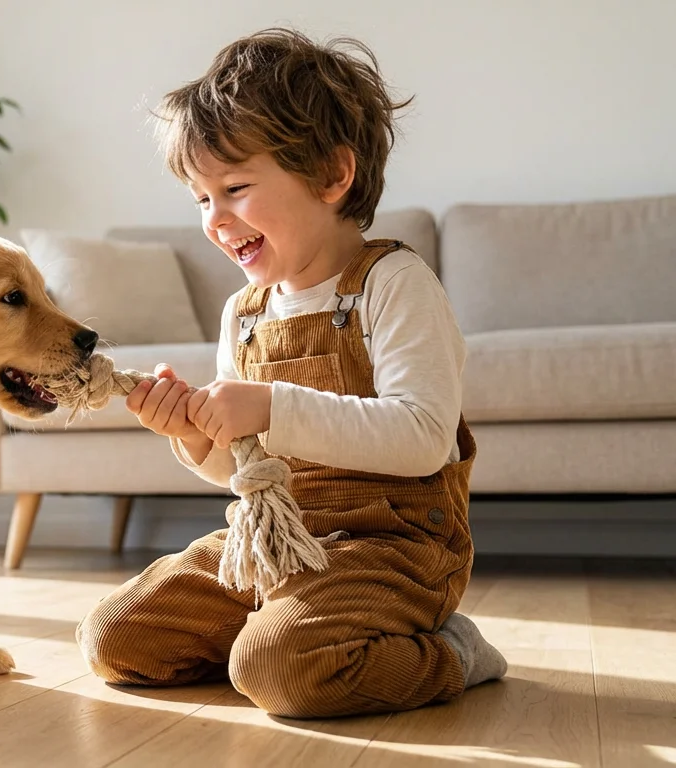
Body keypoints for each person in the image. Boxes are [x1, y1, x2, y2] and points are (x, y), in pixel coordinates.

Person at [75, 26, 507, 719]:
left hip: (391, 549)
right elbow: (243, 468)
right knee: (112, 638)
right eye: (200, 198)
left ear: (333, 176)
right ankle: (279, 635)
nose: (216, 220)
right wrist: (193, 435)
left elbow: (425, 436)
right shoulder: (243, 312)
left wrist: (271, 405)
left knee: (281, 669)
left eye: (236, 188)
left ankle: (450, 651)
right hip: (274, 543)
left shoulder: (392, 283)